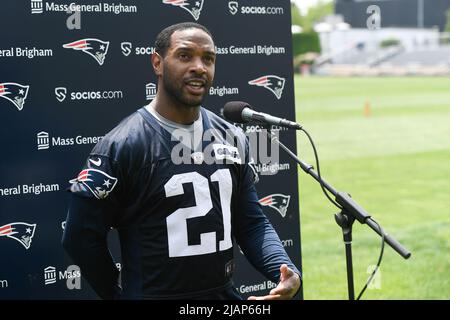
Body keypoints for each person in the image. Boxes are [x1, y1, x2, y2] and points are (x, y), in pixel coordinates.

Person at [62, 22, 301, 300]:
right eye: (185, 56)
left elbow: (251, 222)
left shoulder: (232, 136)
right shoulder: (122, 145)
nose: (199, 67)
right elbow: (80, 237)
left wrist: (285, 271)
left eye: (208, 59)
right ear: (157, 63)